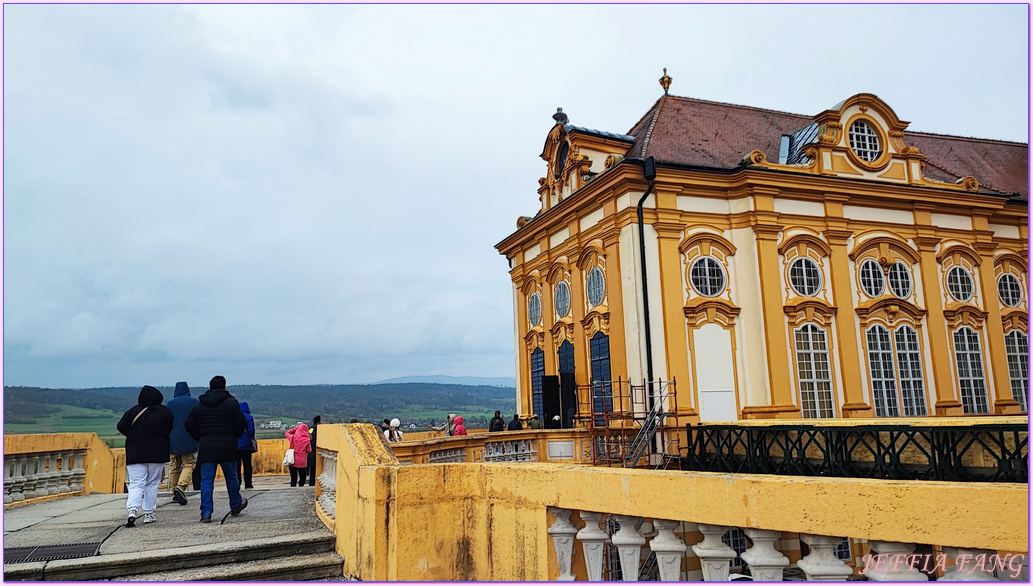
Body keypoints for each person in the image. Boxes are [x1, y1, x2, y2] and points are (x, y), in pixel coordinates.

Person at [185, 375, 248, 523]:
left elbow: (189, 424)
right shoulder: (231, 403)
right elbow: (241, 423)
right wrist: (234, 435)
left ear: (210, 387)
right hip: (227, 446)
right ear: (224, 387)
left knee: (206, 481)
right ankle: (235, 504)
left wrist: (200, 437)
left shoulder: (200, 404)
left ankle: (206, 513)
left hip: (207, 446)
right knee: (232, 477)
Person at [116, 385, 174, 527]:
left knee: (136, 483)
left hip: (135, 452)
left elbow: (121, 426)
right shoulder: (165, 412)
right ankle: (149, 513)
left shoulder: (132, 412)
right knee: (152, 483)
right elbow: (169, 428)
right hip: (157, 453)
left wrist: (134, 436)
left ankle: (132, 511)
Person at [166, 381, 198, 506]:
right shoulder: (194, 402)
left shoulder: (170, 404)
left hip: (173, 439)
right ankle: (180, 487)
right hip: (189, 438)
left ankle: (174, 492)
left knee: (174, 465)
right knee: (189, 463)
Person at [236, 401, 256, 489]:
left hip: (235, 445)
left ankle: (237, 483)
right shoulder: (249, 417)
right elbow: (251, 432)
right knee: (247, 464)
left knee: (237, 466)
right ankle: (248, 483)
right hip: (246, 445)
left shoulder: (235, 417)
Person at [285, 423, 312, 487]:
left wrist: (295, 429)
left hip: (292, 460)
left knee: (293, 477)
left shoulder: (293, 437)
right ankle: (300, 486)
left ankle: (293, 488)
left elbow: (287, 433)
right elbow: (309, 450)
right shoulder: (307, 440)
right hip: (302, 461)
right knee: (302, 477)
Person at [307, 415, 320, 486]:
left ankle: (311, 483)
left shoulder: (312, 428)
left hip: (311, 451)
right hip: (316, 451)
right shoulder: (319, 428)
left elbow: (309, 434)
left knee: (312, 471)